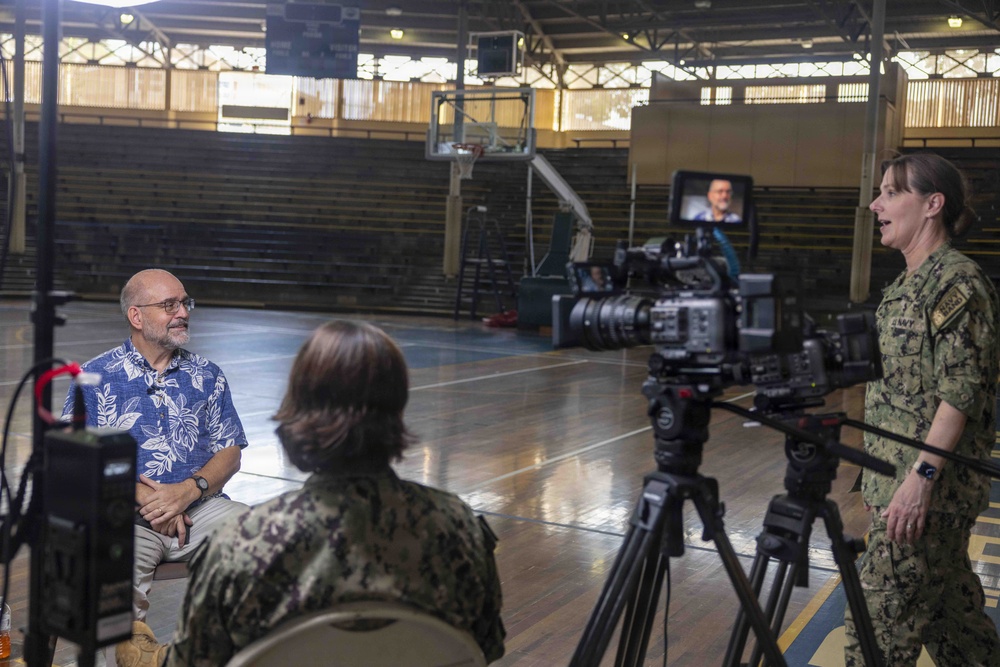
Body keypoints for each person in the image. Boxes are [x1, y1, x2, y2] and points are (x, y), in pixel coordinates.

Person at [146, 320, 505, 665]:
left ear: (300, 410)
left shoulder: (243, 545)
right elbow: (486, 646)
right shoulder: (459, 529)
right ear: (396, 406)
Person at [843, 153, 1000, 666]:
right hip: (903, 490)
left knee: (874, 635)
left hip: (924, 498)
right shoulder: (907, 286)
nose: (875, 204)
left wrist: (920, 480)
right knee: (958, 629)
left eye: (891, 192)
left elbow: (961, 393)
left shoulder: (956, 283)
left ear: (932, 204)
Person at [61, 269, 249, 665]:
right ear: (136, 316)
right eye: (169, 305)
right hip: (124, 516)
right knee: (110, 573)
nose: (182, 312)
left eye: (185, 303)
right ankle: (134, 655)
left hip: (201, 509)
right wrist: (147, 498)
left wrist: (188, 491)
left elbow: (230, 450)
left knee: (261, 538)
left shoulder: (208, 375)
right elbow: (75, 457)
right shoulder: (92, 377)